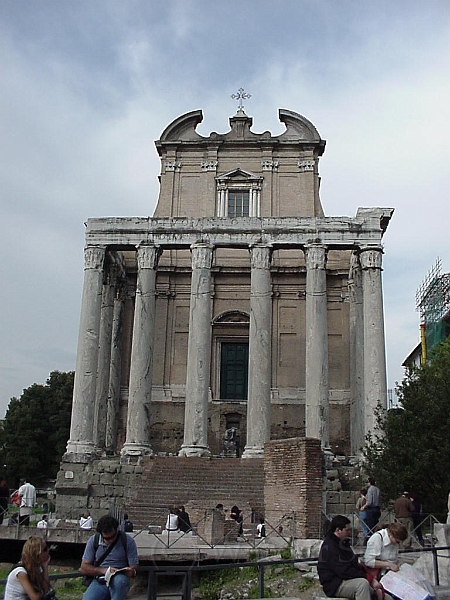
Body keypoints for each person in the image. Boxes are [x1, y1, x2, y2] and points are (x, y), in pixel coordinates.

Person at [80, 514, 139, 600]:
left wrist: (132, 571)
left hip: (119, 578)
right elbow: (84, 567)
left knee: (120, 582)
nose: (110, 540)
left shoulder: (127, 541)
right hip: (100, 579)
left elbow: (135, 566)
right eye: (106, 539)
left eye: (112, 537)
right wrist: (104, 571)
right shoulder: (94, 541)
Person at [318, 515, 372, 600]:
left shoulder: (342, 543)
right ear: (338, 530)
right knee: (362, 585)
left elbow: (352, 562)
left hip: (345, 578)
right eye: (347, 530)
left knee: (377, 592)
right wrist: (366, 577)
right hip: (335, 584)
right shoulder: (330, 547)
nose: (349, 532)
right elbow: (344, 570)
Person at [4, 535, 53, 600]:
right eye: (45, 549)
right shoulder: (21, 572)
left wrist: (45, 566)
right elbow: (35, 597)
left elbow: (46, 588)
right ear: (37, 553)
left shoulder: (36, 568)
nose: (48, 550)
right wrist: (44, 593)